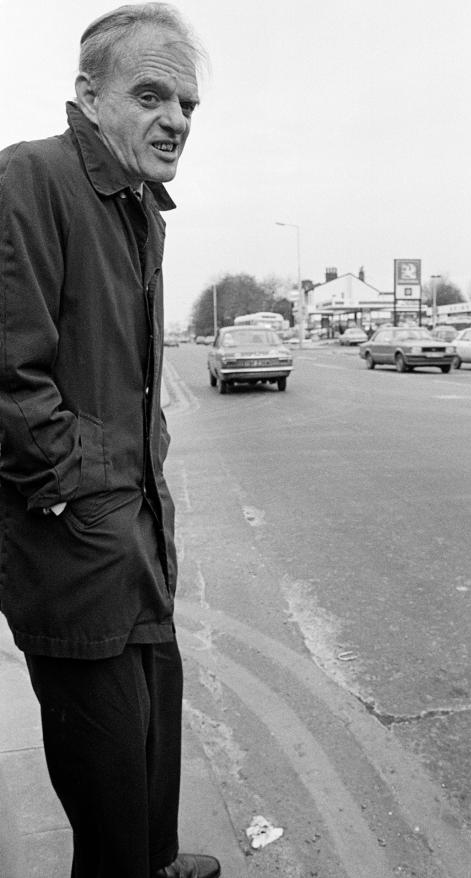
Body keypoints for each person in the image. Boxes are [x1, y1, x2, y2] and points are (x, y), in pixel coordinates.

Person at [0, 5, 220, 877]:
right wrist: (76, 493)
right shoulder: (31, 178)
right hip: (74, 547)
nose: (175, 119)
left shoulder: (138, 210)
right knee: (105, 796)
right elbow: (11, 372)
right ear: (88, 95)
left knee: (152, 741)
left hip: (134, 537)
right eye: (152, 94)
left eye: (188, 106)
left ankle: (156, 859)